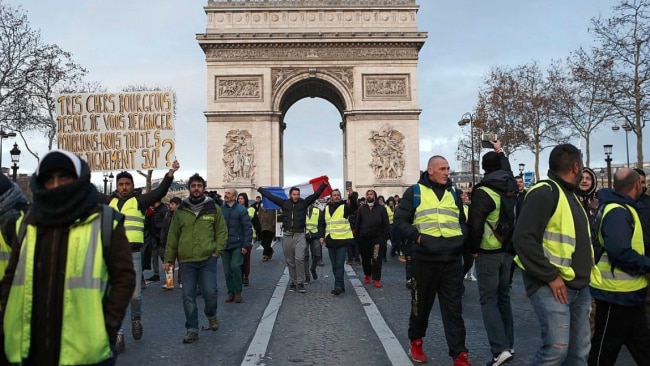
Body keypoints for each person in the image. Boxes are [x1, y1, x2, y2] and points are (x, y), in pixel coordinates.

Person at [1, 149, 135, 365]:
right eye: (49, 179)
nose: (56, 185)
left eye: (64, 177)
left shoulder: (106, 222)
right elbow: (11, 279)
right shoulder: (26, 223)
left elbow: (124, 279)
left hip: (85, 349)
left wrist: (107, 327)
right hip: (28, 345)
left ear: (78, 179)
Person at [513, 143, 601, 365]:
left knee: (578, 353)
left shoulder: (569, 196)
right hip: (552, 284)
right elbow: (523, 238)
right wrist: (551, 276)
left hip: (577, 286)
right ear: (575, 167)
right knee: (556, 351)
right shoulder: (545, 192)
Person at [393, 155, 471, 365]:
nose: (447, 172)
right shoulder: (415, 192)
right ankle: (416, 341)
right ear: (430, 170)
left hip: (451, 260)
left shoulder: (454, 192)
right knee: (421, 306)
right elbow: (399, 221)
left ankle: (459, 354)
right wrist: (418, 237)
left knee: (454, 310)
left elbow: (462, 221)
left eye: (448, 168)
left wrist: (461, 239)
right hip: (425, 260)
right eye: (443, 169)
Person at [99, 160, 179, 352]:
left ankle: (136, 318)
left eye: (127, 184)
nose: (124, 187)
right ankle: (118, 332)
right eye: (121, 184)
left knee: (134, 295)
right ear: (117, 186)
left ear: (132, 186)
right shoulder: (108, 202)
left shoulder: (140, 201)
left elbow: (159, 192)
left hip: (132, 254)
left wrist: (170, 174)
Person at [588, 168, 650, 365]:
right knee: (604, 351)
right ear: (636, 185)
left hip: (629, 293)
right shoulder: (618, 211)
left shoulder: (620, 208)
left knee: (642, 347)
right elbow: (620, 252)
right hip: (615, 294)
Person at [163, 173, 228, 344]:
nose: (196, 188)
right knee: (188, 296)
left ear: (204, 188)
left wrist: (217, 252)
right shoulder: (180, 211)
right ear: (189, 188)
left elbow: (222, 232)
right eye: (193, 186)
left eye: (199, 185)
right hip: (186, 260)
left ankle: (211, 314)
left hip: (208, 258)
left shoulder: (214, 208)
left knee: (210, 292)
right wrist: (169, 260)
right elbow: (173, 235)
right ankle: (191, 329)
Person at [467, 142, 515, 366]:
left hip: (488, 251)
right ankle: (509, 344)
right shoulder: (510, 186)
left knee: (488, 301)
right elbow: (508, 170)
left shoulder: (484, 191)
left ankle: (499, 349)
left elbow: (475, 225)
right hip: (508, 252)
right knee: (504, 298)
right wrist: (501, 152)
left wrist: (474, 249)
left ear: (484, 168)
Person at [258, 180, 329, 293]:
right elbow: (271, 197)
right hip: (287, 235)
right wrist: (260, 189)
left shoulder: (304, 203)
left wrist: (323, 185)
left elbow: (315, 195)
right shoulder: (284, 203)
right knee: (290, 260)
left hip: (300, 234)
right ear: (290, 195)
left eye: (298, 194)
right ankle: (292, 281)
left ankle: (300, 282)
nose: (296, 196)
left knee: (299, 259)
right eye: (294, 194)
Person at [319, 188, 358, 295]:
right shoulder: (326, 208)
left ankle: (338, 286)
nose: (336, 196)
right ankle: (341, 285)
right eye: (334, 195)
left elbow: (355, 207)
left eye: (338, 195)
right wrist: (321, 236)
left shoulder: (345, 207)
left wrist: (352, 195)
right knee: (335, 265)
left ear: (340, 196)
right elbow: (322, 223)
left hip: (342, 240)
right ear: (331, 197)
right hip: (331, 240)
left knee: (340, 264)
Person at [355, 189, 390, 288]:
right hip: (364, 239)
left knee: (376, 259)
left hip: (377, 239)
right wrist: (357, 237)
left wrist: (384, 238)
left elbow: (386, 224)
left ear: (375, 196)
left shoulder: (381, 209)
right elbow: (358, 223)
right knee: (365, 259)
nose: (369, 196)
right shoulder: (362, 208)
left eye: (371, 194)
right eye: (368, 194)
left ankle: (376, 279)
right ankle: (367, 274)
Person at [223, 189, 253, 303]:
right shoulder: (221, 209)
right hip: (225, 244)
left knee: (235, 267)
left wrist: (246, 245)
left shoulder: (241, 210)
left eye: (228, 193)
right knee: (227, 270)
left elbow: (247, 228)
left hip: (237, 244)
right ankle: (230, 292)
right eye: (225, 193)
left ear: (234, 196)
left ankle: (237, 291)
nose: (226, 195)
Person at [160, 197, 182, 289]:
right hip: (169, 242)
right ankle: (169, 283)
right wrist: (163, 242)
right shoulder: (167, 214)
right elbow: (163, 229)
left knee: (182, 263)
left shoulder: (183, 215)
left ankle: (181, 281)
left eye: (172, 204)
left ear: (178, 205)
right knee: (169, 263)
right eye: (170, 204)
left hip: (181, 242)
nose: (170, 206)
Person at [146, 200, 169, 282]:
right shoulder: (154, 209)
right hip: (154, 236)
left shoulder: (163, 209)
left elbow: (166, 224)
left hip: (161, 236)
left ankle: (169, 275)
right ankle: (156, 274)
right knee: (154, 256)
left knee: (163, 256)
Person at [238, 192, 254, 286]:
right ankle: (239, 275)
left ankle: (246, 276)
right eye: (239, 198)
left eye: (242, 198)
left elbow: (253, 220)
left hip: (247, 237)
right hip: (237, 237)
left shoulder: (250, 209)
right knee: (238, 258)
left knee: (246, 258)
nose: (240, 200)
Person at [304, 203, 322, 283]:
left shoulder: (317, 210)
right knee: (305, 256)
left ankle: (313, 268)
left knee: (317, 255)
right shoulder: (301, 210)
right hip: (304, 236)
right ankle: (307, 276)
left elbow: (321, 224)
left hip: (315, 235)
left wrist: (321, 236)